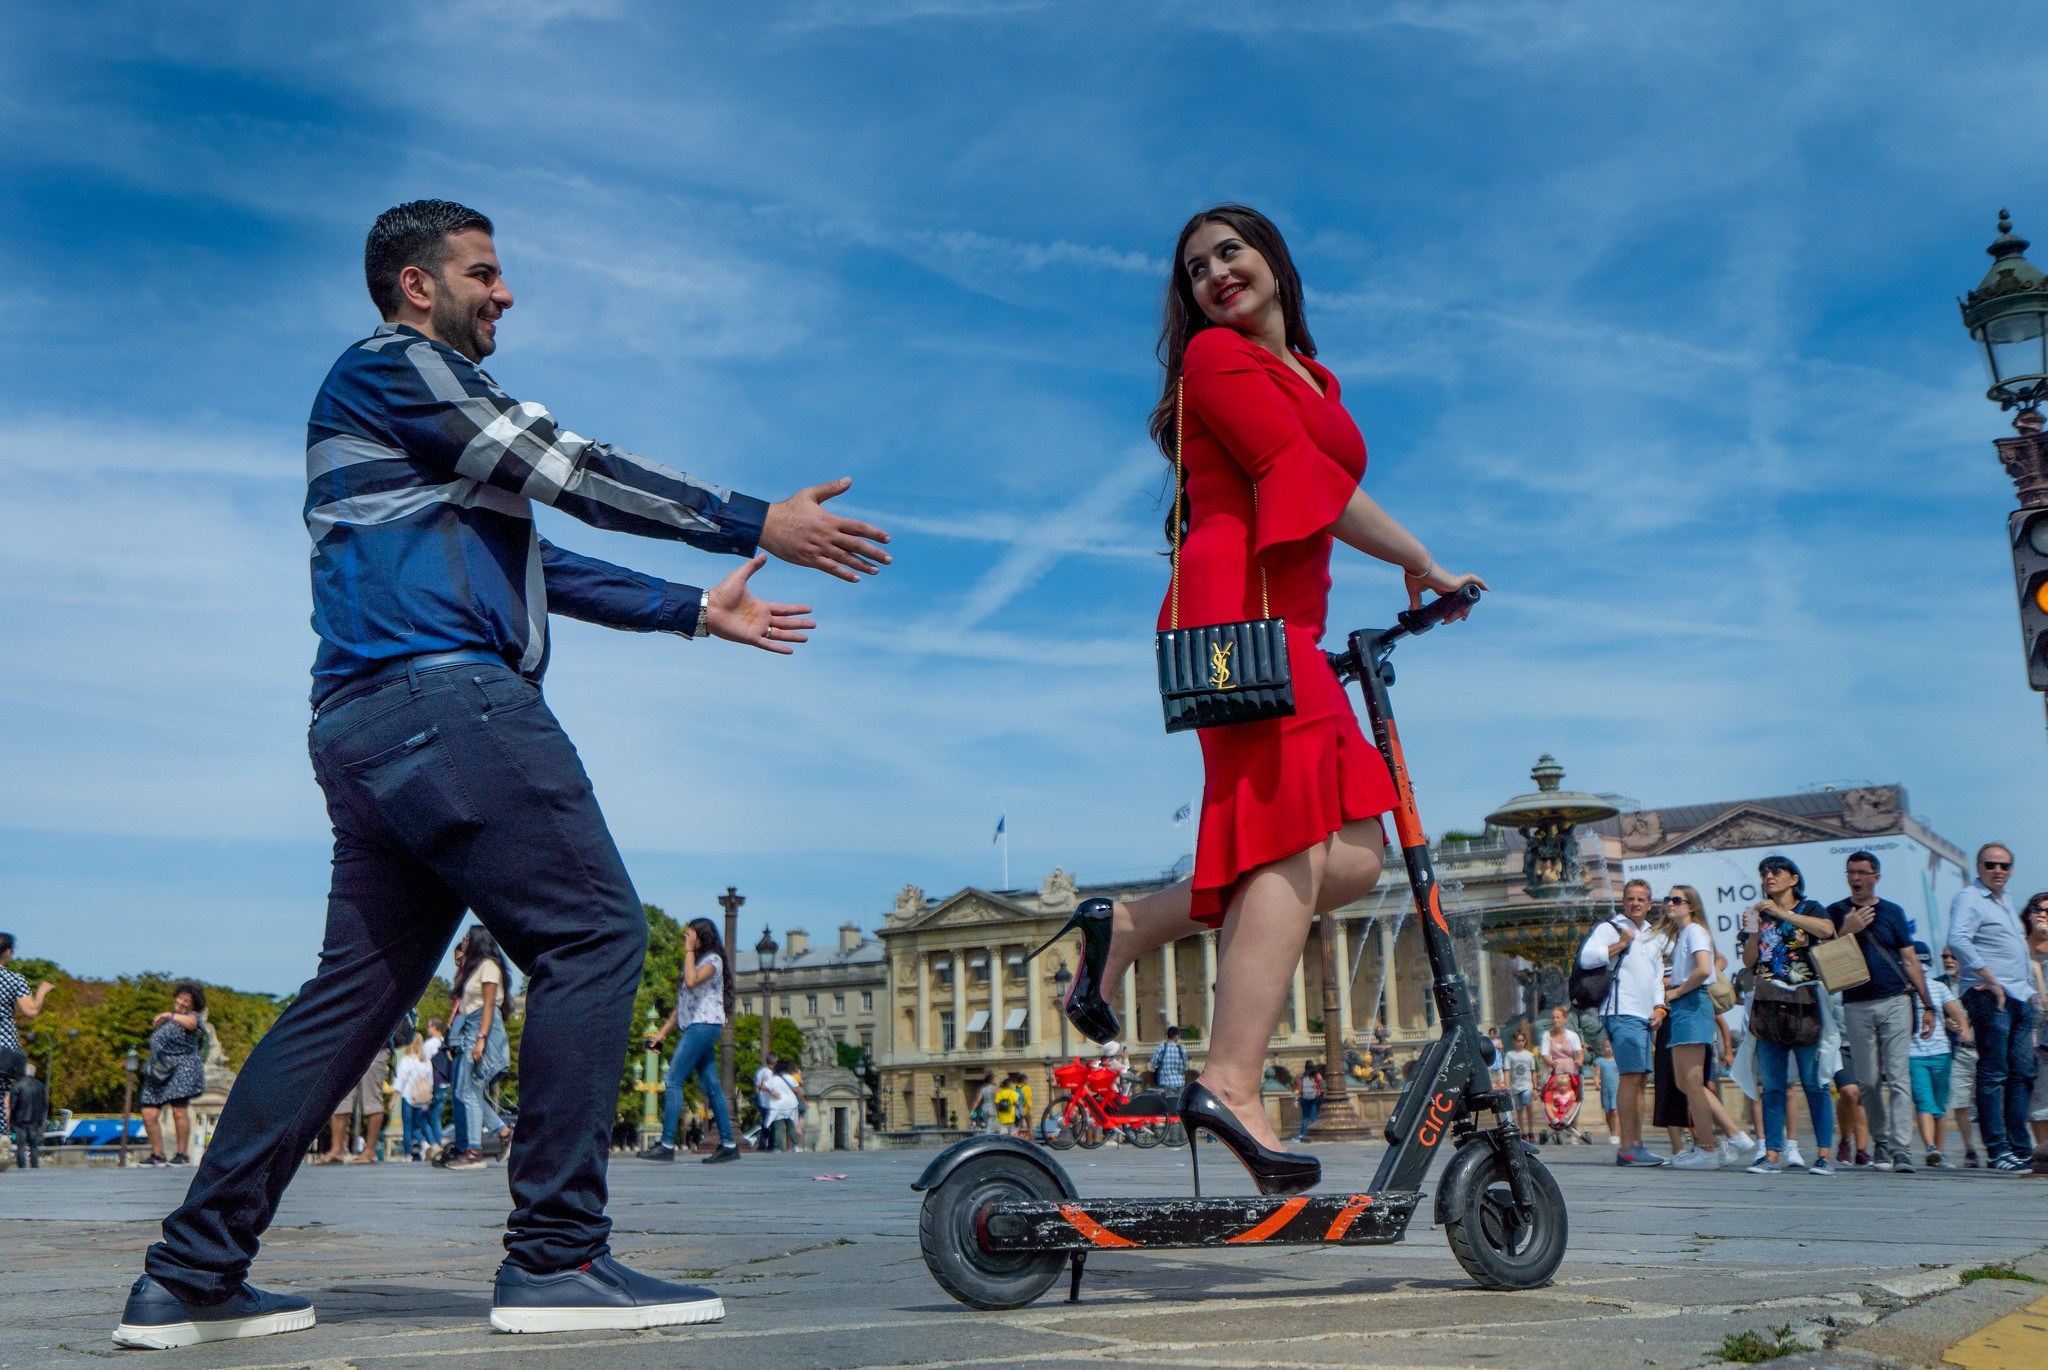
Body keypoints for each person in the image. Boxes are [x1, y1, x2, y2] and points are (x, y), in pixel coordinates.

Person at [114, 199, 888, 1347]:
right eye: (485, 271)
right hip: (446, 702)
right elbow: (566, 468)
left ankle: (189, 1273)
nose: (507, 292)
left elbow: (535, 555)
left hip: (367, 724)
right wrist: (747, 520)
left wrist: (691, 611)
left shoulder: (409, 430)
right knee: (591, 933)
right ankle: (556, 1258)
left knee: (351, 998)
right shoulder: (399, 368)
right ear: (418, 284)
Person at [1026, 205, 1483, 1197]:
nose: (1214, 274)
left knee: (1354, 857)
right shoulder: (1217, 363)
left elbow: (1312, 482)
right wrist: (1419, 559)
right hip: (1240, 621)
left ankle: (1134, 923)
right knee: (1285, 840)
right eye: (1194, 269)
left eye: (1230, 252)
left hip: (1291, 628)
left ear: (1273, 259)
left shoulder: (1313, 377)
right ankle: (1231, 1075)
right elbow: (1296, 475)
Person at [1826, 851, 1935, 1173]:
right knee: (1869, 1082)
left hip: (1895, 1000)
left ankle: (1900, 1148)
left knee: (1899, 1077)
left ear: (1876, 877)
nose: (1856, 878)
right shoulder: (1836, 912)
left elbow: (1911, 959)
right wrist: (1845, 930)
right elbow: (1824, 959)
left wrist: (1928, 1005)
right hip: (1856, 1003)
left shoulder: (1892, 912)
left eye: (1862, 872)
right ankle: (1881, 1141)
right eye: (1850, 873)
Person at [1740, 855, 1839, 1176]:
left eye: (1775, 871)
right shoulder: (1759, 912)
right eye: (1764, 872)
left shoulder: (1810, 908)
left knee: (1815, 1082)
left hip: (1805, 1000)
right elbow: (1750, 961)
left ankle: (1824, 1154)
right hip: (1768, 1001)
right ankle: (1771, 1155)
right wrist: (1753, 931)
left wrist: (1784, 914)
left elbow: (1827, 930)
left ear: (1794, 879)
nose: (1768, 876)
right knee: (1771, 1084)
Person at [1947, 843, 2038, 1172]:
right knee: (1994, 1073)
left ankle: (2019, 1146)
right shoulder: (1970, 898)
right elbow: (1957, 938)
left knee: (2023, 1073)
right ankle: (1998, 1149)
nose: (1998, 870)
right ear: (1979, 866)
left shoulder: (2005, 901)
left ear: (2011, 869)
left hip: (2018, 995)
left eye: (2004, 866)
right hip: (1989, 994)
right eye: (1991, 865)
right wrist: (1988, 976)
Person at [1660, 887, 1751, 1168]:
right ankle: (1735, 1136)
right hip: (1686, 1007)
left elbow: (1702, 969)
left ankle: (1708, 1149)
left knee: (1693, 1083)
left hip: (1690, 1003)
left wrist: (1675, 992)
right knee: (1684, 1082)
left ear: (1691, 906)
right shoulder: (1684, 933)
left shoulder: (1695, 932)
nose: (1670, 904)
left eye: (1677, 900)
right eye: (1668, 900)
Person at [1580, 879, 1668, 1166]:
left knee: (1640, 1080)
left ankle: (1637, 1145)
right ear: (1624, 902)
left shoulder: (1653, 936)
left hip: (1645, 1016)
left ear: (1649, 904)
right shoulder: (1611, 928)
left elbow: (1657, 977)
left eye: (1641, 899)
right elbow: (1587, 958)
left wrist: (1659, 1008)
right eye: (1631, 898)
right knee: (1631, 1079)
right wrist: (1621, 943)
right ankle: (1628, 1148)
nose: (1636, 903)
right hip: (1621, 1012)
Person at [642, 919, 738, 1163]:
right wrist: (662, 1033)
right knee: (711, 1085)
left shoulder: (712, 961)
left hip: (704, 1026)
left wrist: (688, 950)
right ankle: (728, 1143)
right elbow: (683, 1004)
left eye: (690, 935)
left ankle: (666, 1143)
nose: (686, 939)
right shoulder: (695, 962)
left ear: (701, 937)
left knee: (673, 1079)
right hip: (699, 1025)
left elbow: (692, 982)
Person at [444, 928, 512, 1173]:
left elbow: (489, 1005)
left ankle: (474, 1151)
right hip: (469, 1028)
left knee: (470, 1090)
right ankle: (502, 1133)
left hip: (482, 1028)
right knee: (465, 1091)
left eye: (467, 938)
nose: (463, 941)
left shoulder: (489, 967)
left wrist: (481, 1039)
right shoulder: (474, 968)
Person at [1908, 941, 1972, 1167]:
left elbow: (1955, 1010)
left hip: (1941, 1053)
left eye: (1924, 967)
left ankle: (1940, 1153)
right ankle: (1930, 1148)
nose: (1920, 972)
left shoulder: (1938, 988)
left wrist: (1963, 1025)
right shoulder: (1904, 989)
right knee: (1924, 1102)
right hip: (1914, 1053)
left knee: (1940, 1104)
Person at [140, 982, 209, 1168]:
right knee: (148, 1112)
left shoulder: (191, 1017)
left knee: (179, 1109)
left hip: (182, 1067)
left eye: (187, 1000)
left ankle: (181, 1154)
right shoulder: (171, 1021)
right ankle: (157, 1154)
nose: (182, 1002)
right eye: (180, 998)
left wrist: (169, 1015)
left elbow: (192, 1023)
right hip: (159, 1070)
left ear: (194, 1005)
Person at [0, 933, 54, 1150]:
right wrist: (41, 991)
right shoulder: (14, 979)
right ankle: (2, 1139)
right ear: (8, 952)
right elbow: (31, 1010)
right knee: (3, 1096)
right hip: (3, 1045)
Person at [322, 1048, 390, 1165]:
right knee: (341, 1098)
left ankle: (370, 1151)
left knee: (372, 1099)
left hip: (375, 1046)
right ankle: (337, 1150)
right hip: (347, 1047)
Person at [392, 1036, 434, 1162]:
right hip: (422, 1099)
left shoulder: (407, 1060)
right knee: (421, 1124)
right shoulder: (426, 1061)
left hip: (409, 1097)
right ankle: (431, 1144)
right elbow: (430, 1081)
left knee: (408, 1127)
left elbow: (401, 1080)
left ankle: (408, 1154)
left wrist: (393, 1099)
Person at [755, 1059, 800, 1152]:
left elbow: (762, 1087)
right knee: (791, 1126)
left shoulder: (773, 1079)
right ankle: (796, 1146)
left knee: (779, 1127)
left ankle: (778, 1147)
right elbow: (796, 1089)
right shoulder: (790, 1077)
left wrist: (772, 1092)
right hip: (791, 1104)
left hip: (778, 1104)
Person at [11, 1061, 49, 1168]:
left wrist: (12, 1118)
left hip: (20, 1119)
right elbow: (45, 1104)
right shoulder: (40, 1086)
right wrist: (41, 1120)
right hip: (35, 1120)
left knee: (21, 1145)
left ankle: (22, 1165)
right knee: (34, 1145)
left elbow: (13, 1105)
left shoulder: (18, 1086)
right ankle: (34, 1164)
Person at [422, 1019, 450, 1159]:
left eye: (429, 1026)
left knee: (421, 1118)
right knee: (436, 1117)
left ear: (434, 1028)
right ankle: (439, 1144)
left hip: (433, 1084)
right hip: (445, 1083)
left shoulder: (429, 1044)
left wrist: (427, 1088)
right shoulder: (445, 1042)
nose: (428, 1029)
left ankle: (434, 1144)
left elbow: (426, 1067)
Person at [1504, 1030, 1538, 1140]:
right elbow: (1507, 1070)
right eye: (1518, 1041)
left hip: (1527, 1085)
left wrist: (1535, 1087)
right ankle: (1523, 1132)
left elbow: (1533, 1072)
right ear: (1514, 1041)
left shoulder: (1529, 1055)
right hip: (1516, 1086)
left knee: (1528, 1105)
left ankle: (1531, 1130)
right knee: (1519, 1110)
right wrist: (1507, 1083)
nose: (1521, 1043)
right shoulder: (1510, 1055)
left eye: (1523, 1041)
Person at [1592, 1038, 1620, 1143]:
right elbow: (1596, 1075)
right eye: (1607, 1047)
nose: (1610, 1049)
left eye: (1611, 1046)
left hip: (1617, 1089)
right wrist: (1596, 1083)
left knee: (1616, 1111)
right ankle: (1612, 1131)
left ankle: (1616, 1134)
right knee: (1608, 1113)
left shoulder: (1618, 1060)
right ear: (1603, 1049)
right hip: (1605, 1090)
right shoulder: (1600, 1061)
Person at [1150, 1026, 1189, 1095]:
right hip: (1180, 1083)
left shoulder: (1161, 1048)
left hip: (1166, 1083)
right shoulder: (1182, 1049)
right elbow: (1185, 1067)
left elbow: (1154, 1064)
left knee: (1168, 1104)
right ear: (1177, 1036)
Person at [1294, 1061, 1323, 1142]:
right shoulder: (1316, 1075)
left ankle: (1303, 1135)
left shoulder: (1301, 1076)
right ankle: (1315, 1134)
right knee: (1314, 1116)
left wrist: (1296, 1099)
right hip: (1315, 1097)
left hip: (1304, 1097)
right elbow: (1321, 1084)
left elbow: (1298, 1088)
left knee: (1305, 1117)